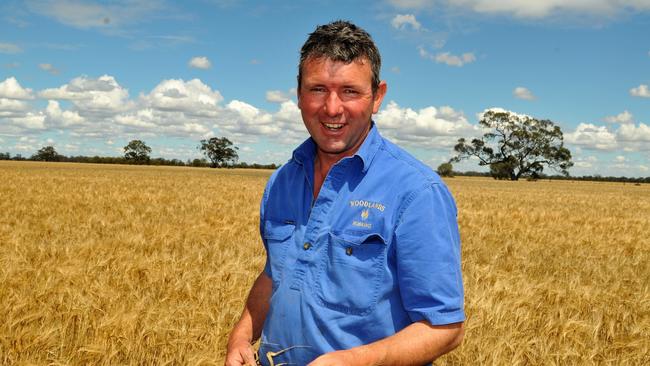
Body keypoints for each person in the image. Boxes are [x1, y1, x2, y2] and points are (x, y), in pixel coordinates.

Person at [226, 20, 464, 366]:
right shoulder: (282, 181)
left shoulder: (416, 192)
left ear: (377, 97)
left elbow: (445, 327)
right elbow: (275, 274)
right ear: (298, 94)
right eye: (318, 89)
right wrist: (242, 336)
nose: (332, 108)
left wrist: (351, 361)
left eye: (350, 91)